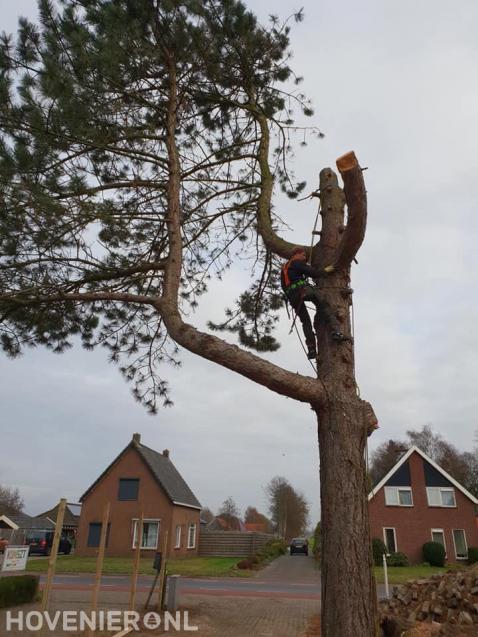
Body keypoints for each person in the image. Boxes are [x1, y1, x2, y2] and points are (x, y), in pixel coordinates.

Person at [281, 247, 347, 359]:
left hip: (292, 297)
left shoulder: (284, 268)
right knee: (324, 305)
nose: (304, 258)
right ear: (297, 254)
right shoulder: (296, 262)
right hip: (303, 290)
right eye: (303, 256)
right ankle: (336, 330)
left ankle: (311, 348)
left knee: (305, 322)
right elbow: (314, 273)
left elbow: (285, 285)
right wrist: (329, 269)